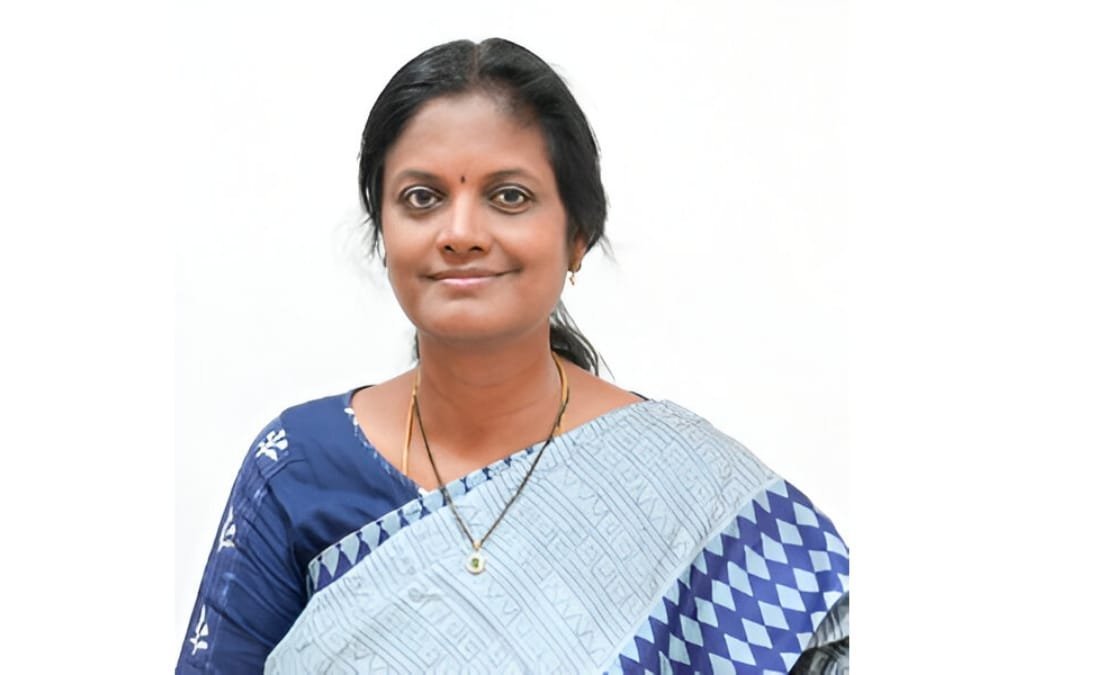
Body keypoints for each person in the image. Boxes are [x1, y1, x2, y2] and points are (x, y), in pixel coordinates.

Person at [177, 37, 849, 674]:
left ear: (578, 235)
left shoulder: (693, 493)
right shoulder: (298, 467)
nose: (461, 232)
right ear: (383, 233)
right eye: (422, 198)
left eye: (509, 196)